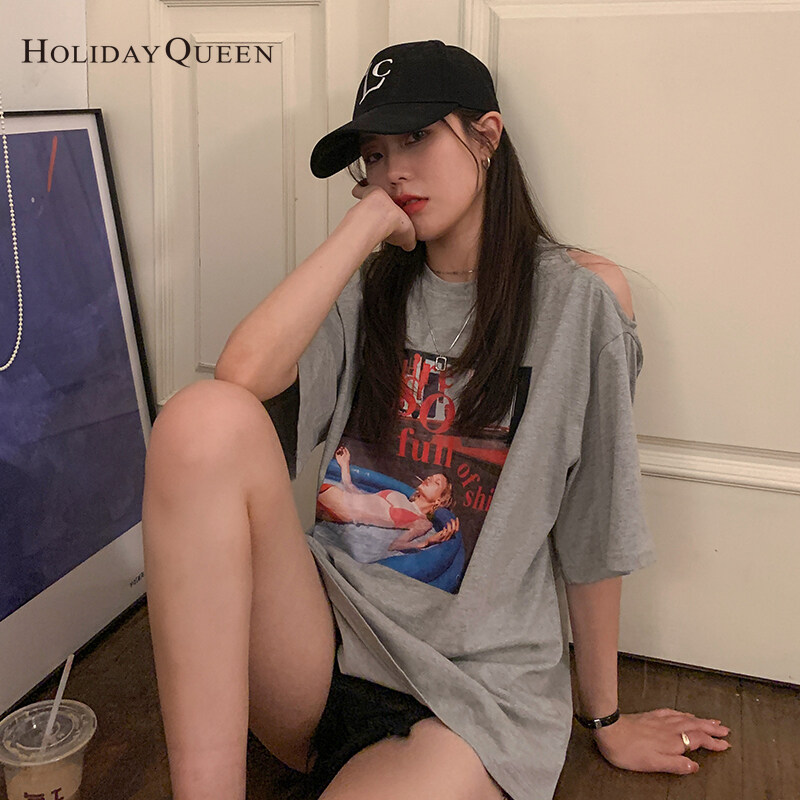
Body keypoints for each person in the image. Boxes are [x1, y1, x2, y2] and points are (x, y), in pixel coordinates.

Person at [142, 39, 732, 800]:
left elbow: (595, 523)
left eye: (417, 138)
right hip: (320, 649)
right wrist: (358, 232)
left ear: (486, 136)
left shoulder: (579, 303)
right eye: (374, 155)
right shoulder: (367, 293)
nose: (394, 171)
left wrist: (605, 717)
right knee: (197, 418)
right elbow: (239, 385)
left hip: (470, 696)